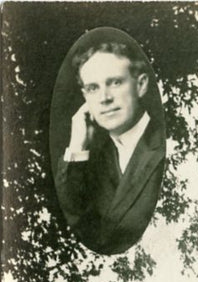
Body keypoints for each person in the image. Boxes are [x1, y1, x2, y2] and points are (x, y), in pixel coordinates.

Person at [56, 40, 165, 255]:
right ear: (85, 96)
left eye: (115, 82)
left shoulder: (166, 146)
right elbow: (77, 224)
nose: (104, 98)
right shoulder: (95, 158)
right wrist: (77, 145)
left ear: (141, 85)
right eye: (93, 88)